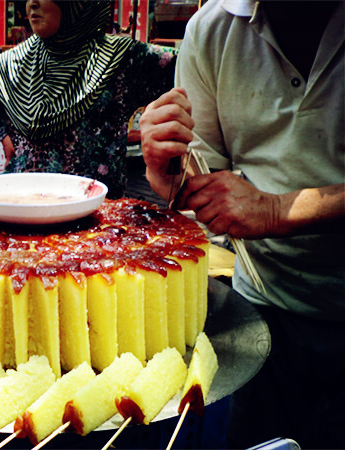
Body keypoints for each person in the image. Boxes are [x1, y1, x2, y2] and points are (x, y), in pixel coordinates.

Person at [139, 1, 344, 447]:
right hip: (262, 315)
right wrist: (168, 170)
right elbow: (203, 181)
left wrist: (276, 210)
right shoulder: (213, 27)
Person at [0, 0, 176, 198]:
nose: (32, 3)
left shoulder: (122, 58)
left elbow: (192, 71)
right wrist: (1, 135)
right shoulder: (12, 64)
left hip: (97, 214)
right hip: (25, 205)